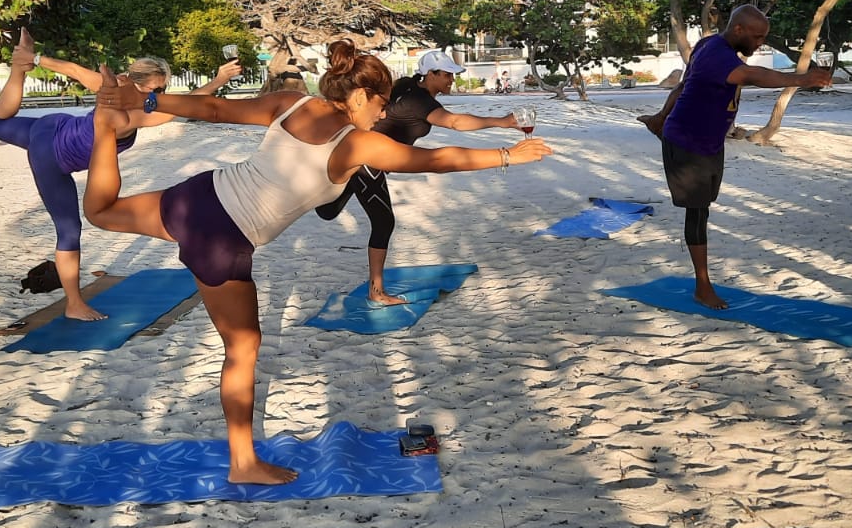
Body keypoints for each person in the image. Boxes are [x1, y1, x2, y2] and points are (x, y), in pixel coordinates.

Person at [83, 39, 553, 485]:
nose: (385, 113)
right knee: (243, 346)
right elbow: (435, 159)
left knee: (101, 212)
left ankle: (105, 132)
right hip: (221, 236)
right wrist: (507, 155)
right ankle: (243, 462)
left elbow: (212, 108)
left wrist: (144, 103)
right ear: (363, 95)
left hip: (200, 195)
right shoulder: (356, 144)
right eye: (382, 103)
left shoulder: (291, 101)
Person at [0, 29, 241, 321]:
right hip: (51, 155)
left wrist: (33, 59)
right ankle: (74, 304)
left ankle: (19, 68)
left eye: (162, 90)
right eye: (155, 90)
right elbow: (75, 70)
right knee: (69, 231)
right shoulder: (130, 116)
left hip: (54, 126)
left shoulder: (118, 92)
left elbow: (75, 71)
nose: (159, 96)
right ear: (135, 83)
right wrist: (36, 57)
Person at [637, 6, 831, 310]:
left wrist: (660, 117)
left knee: (704, 206)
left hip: (710, 142)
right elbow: (753, 75)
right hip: (688, 142)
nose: (760, 43)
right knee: (697, 212)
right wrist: (803, 79)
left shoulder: (709, 45)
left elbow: (684, 85)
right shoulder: (717, 55)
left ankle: (660, 125)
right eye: (757, 37)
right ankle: (703, 286)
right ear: (738, 30)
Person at [314, 49, 519, 305]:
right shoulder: (418, 100)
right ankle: (376, 293)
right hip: (367, 159)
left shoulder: (411, 90)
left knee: (327, 209)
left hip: (364, 155)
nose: (451, 80)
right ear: (430, 74)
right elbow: (455, 123)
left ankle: (309, 181)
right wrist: (502, 122)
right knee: (383, 221)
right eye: (446, 74)